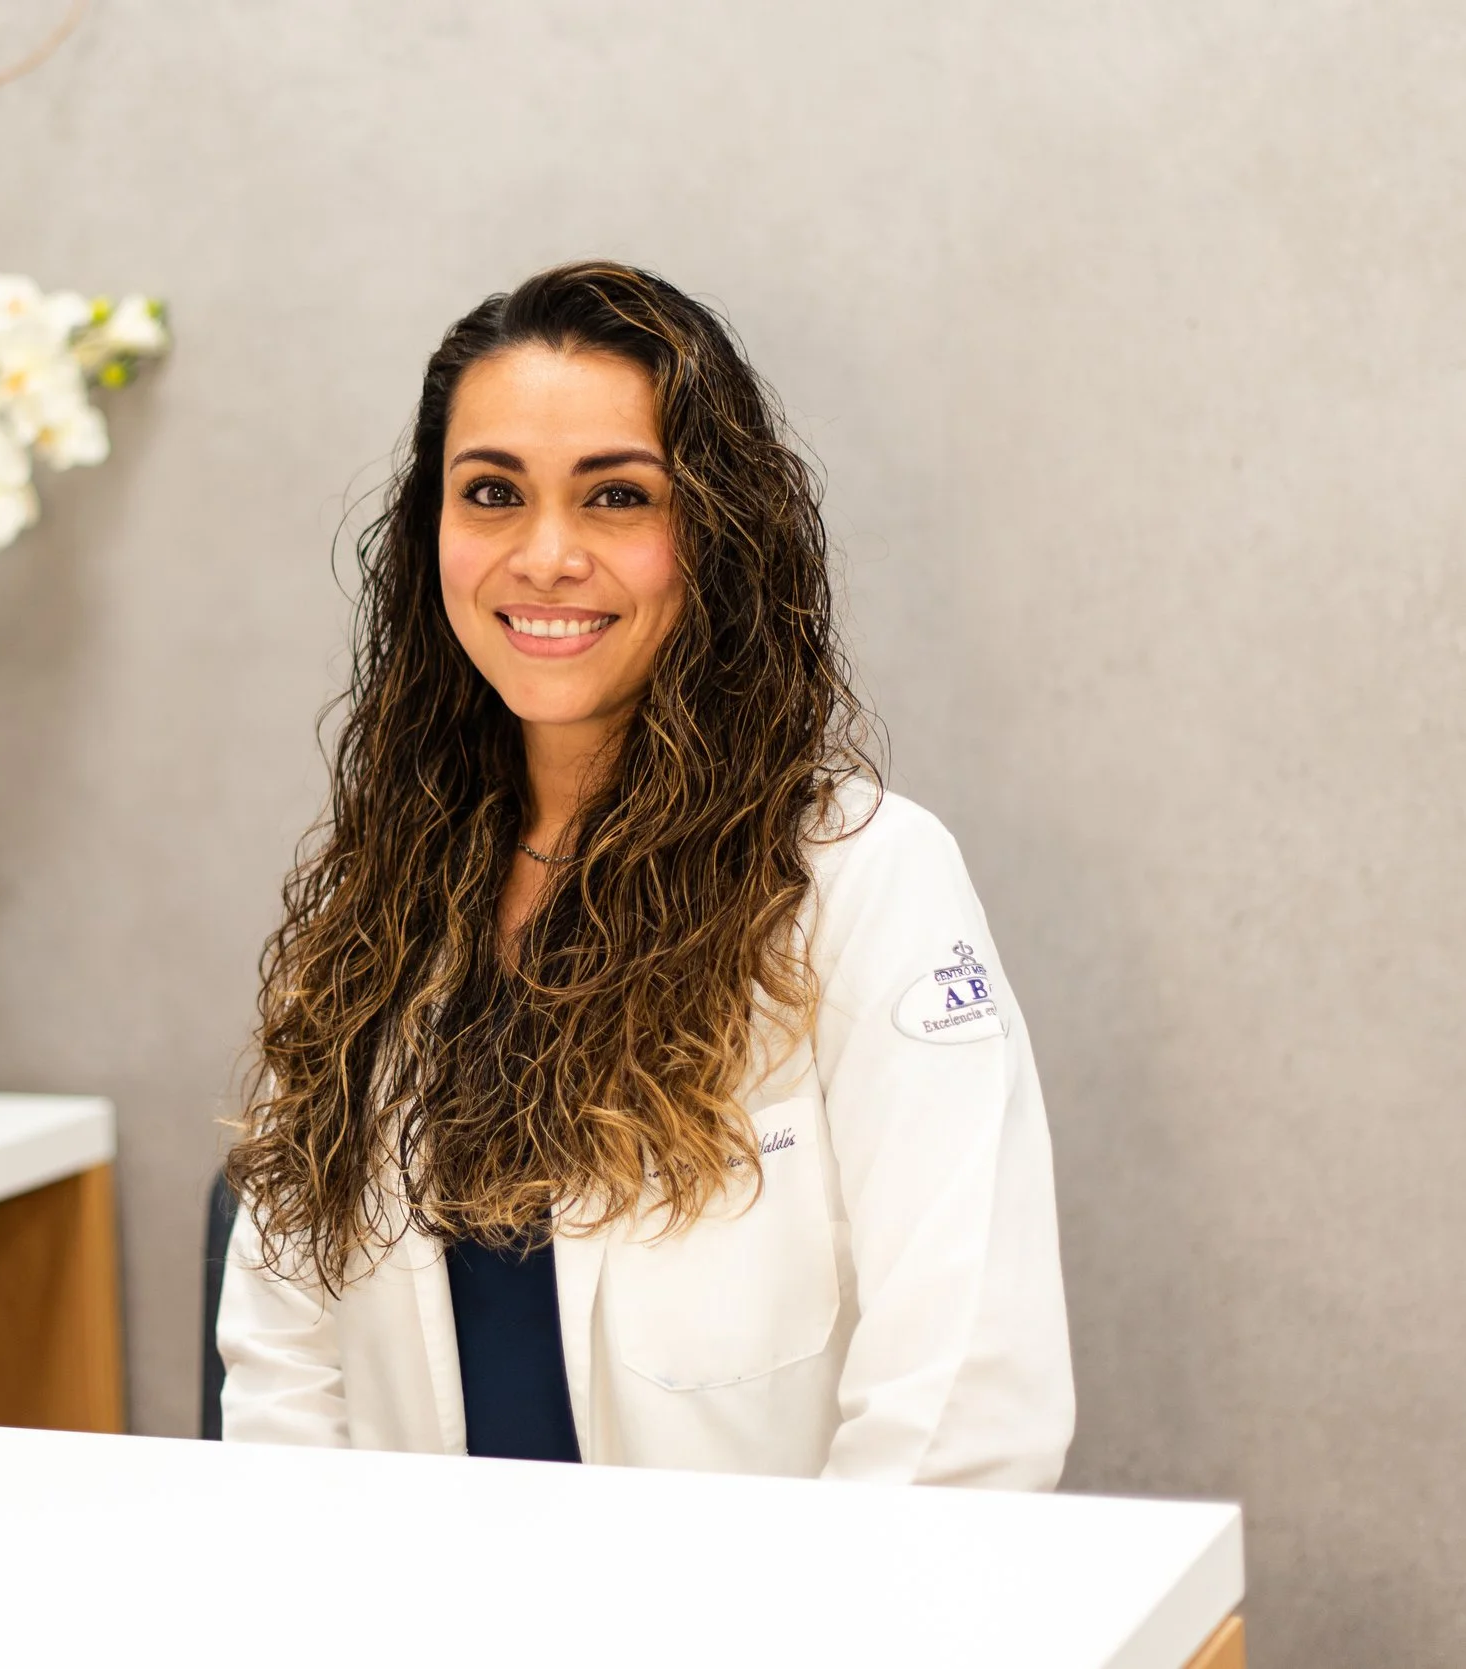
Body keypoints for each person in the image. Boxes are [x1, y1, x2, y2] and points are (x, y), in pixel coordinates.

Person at [216, 261, 1073, 1487]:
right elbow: (285, 1360)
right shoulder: (384, 890)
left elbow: (961, 1408)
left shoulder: (864, 881)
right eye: (492, 492)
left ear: (716, 533)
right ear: (429, 532)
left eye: (616, 496)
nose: (544, 554)